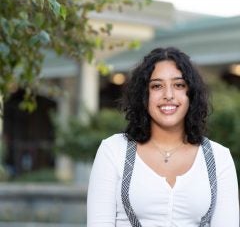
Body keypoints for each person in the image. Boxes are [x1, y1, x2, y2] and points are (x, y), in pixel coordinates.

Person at [87, 47, 239, 227]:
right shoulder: (113, 151)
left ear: (191, 94)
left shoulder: (219, 158)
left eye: (179, 85)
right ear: (144, 95)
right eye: (157, 86)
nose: (168, 95)